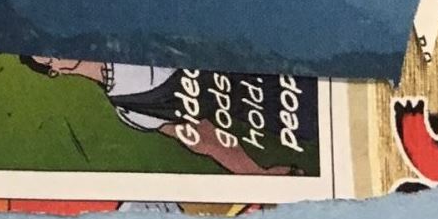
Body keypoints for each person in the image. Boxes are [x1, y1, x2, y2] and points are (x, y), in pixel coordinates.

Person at [20, 57, 301, 178]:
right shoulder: (129, 109)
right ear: (55, 70)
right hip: (273, 110)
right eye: (48, 57)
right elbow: (206, 140)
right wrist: (257, 176)